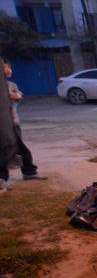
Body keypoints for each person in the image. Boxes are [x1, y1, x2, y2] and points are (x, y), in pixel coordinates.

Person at [1, 59, 46, 194]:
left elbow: (19, 95)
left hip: (14, 122)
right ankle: (3, 178)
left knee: (20, 148)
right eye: (5, 68)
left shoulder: (10, 84)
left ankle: (29, 171)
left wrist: (14, 96)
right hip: (4, 125)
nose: (8, 70)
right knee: (5, 150)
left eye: (8, 67)